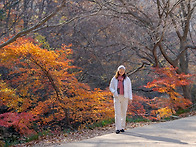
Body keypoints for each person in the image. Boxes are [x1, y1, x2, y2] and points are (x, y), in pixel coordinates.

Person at [109, 65, 133, 134]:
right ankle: (117, 128)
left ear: (124, 71)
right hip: (117, 97)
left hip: (125, 97)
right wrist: (114, 92)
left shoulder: (127, 79)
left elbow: (129, 89)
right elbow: (111, 87)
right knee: (117, 113)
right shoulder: (114, 78)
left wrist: (130, 98)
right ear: (118, 70)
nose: (121, 71)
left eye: (123, 70)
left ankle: (122, 127)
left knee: (123, 112)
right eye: (120, 70)